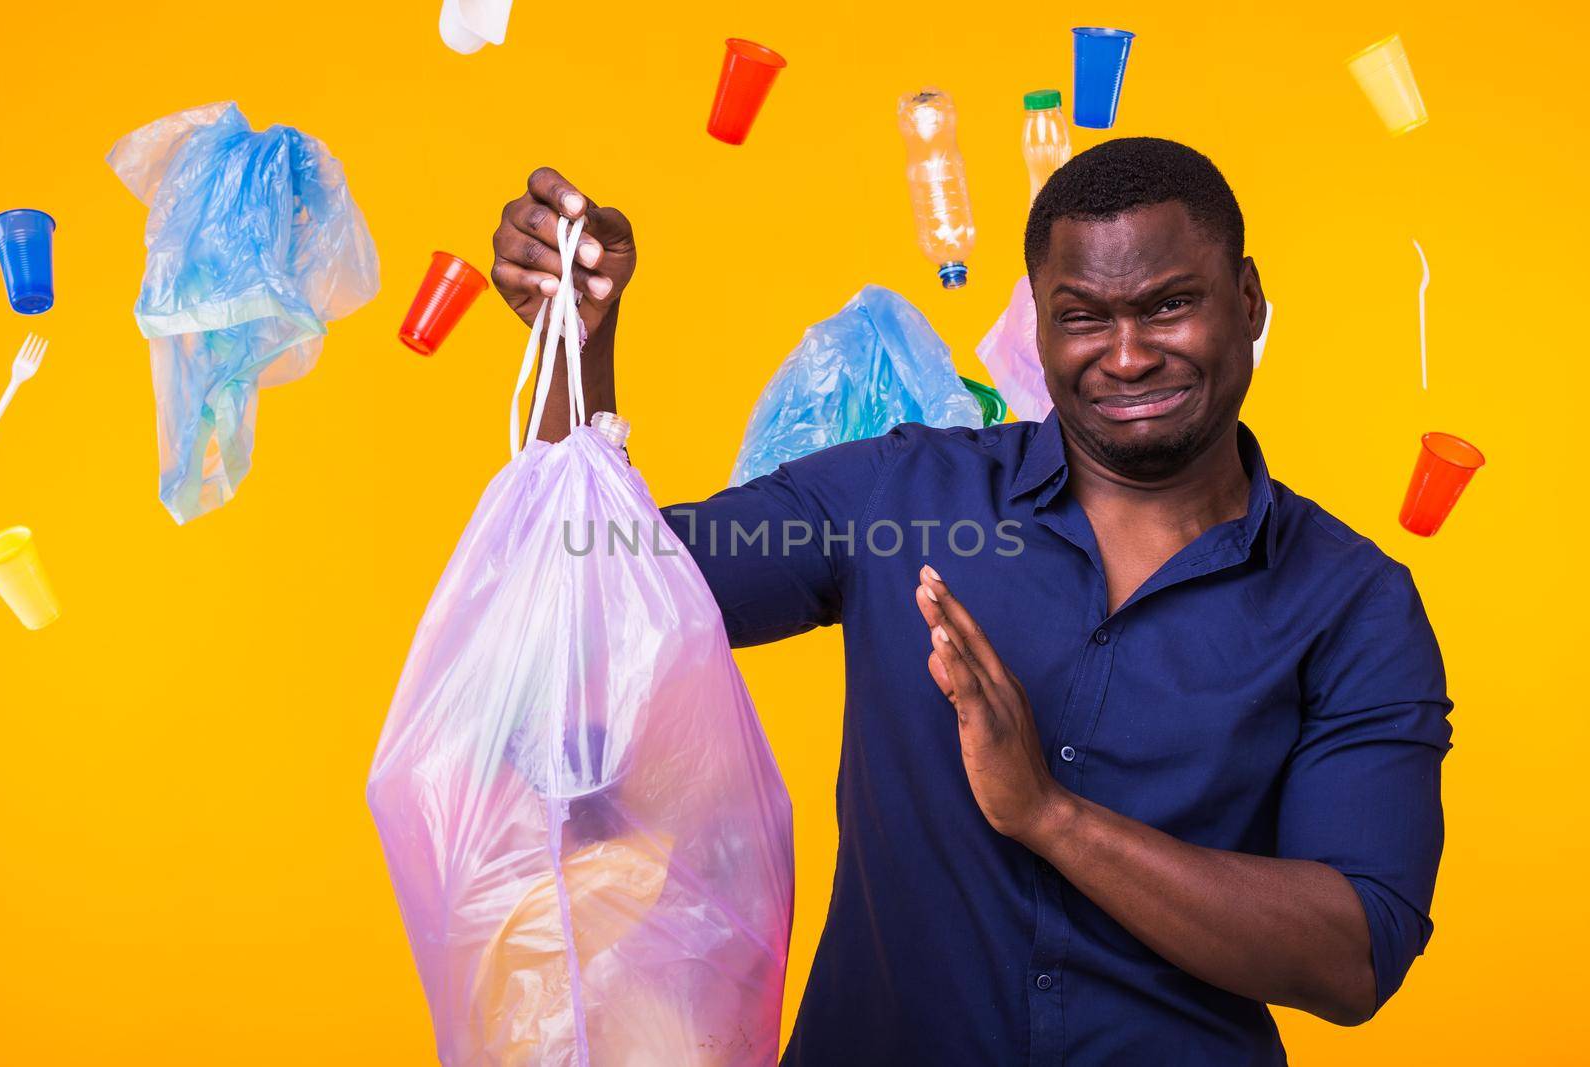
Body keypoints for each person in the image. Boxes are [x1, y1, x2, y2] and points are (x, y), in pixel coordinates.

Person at [489, 137, 1451, 1066]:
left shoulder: (1352, 604)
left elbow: (1354, 952)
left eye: (1168, 307)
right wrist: (576, 345)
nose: (1124, 355)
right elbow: (592, 584)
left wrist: (1048, 813)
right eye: (1082, 315)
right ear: (1036, 320)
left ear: (1247, 301)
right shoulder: (899, 502)